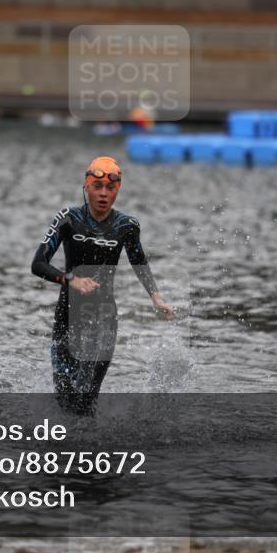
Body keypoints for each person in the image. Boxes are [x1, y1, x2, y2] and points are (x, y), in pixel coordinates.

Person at [31, 156, 173, 415]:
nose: (104, 194)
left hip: (104, 319)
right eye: (97, 187)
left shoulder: (127, 226)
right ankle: (65, 450)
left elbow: (139, 260)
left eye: (111, 188)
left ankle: (92, 450)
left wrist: (156, 297)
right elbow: (38, 264)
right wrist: (69, 279)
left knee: (86, 401)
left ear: (118, 189)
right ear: (86, 187)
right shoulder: (68, 218)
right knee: (66, 402)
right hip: (67, 318)